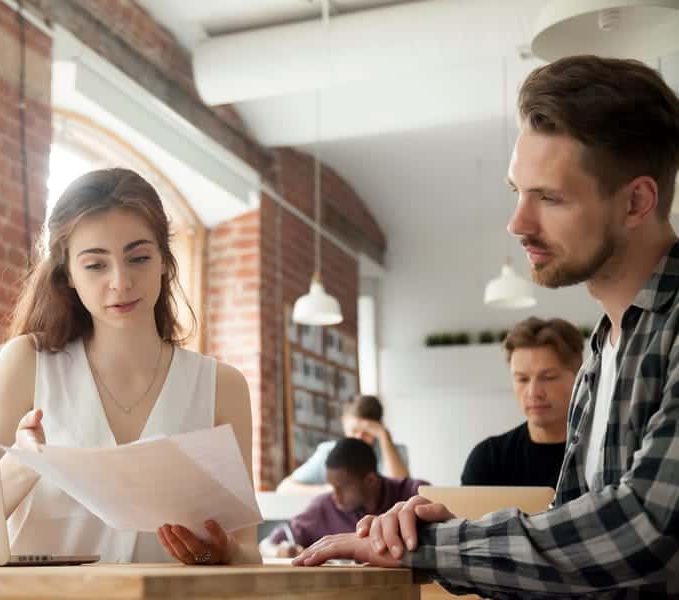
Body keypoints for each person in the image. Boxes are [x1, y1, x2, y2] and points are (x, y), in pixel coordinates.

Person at [292, 56, 679, 597]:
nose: (517, 222)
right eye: (516, 191)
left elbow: (645, 529)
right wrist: (449, 534)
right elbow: (578, 541)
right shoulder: (603, 346)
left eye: (549, 197)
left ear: (636, 201)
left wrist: (435, 547)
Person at [0, 168, 260, 565]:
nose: (121, 282)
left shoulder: (222, 385)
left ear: (165, 262)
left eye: (138, 258)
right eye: (96, 265)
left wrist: (222, 553)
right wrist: (22, 462)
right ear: (68, 276)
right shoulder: (26, 364)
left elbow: (248, 553)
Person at [461, 316, 583, 488]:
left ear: (579, 377)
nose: (533, 393)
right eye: (522, 379)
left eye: (548, 377)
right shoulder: (488, 458)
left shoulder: (600, 453)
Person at [261, 438, 427, 558]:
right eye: (332, 487)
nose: (335, 496)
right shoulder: (323, 507)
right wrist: (279, 551)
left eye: (341, 487)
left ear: (370, 480)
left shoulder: (415, 492)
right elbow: (265, 545)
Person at [277, 394, 409, 495]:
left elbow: (401, 490)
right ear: (344, 424)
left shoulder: (393, 452)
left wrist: (383, 435)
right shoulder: (329, 452)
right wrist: (328, 490)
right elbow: (284, 488)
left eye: (367, 432)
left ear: (378, 426)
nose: (359, 438)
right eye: (354, 430)